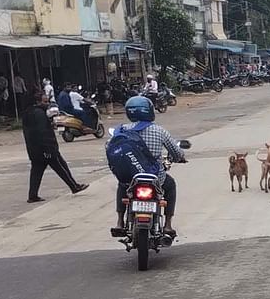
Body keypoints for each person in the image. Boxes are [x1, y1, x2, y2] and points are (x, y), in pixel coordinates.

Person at [107, 95, 186, 236]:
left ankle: (119, 222)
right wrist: (180, 158)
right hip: (155, 177)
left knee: (122, 185)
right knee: (170, 185)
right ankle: (168, 225)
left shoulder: (121, 130)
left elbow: (111, 150)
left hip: (131, 178)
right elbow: (176, 152)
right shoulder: (158, 130)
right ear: (149, 111)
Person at [22, 89, 88, 202]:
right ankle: (74, 186)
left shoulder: (28, 113)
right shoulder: (38, 114)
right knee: (61, 167)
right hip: (46, 148)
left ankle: (32, 195)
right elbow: (42, 132)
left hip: (34, 149)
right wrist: (48, 149)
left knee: (36, 172)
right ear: (38, 101)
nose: (47, 101)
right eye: (44, 99)